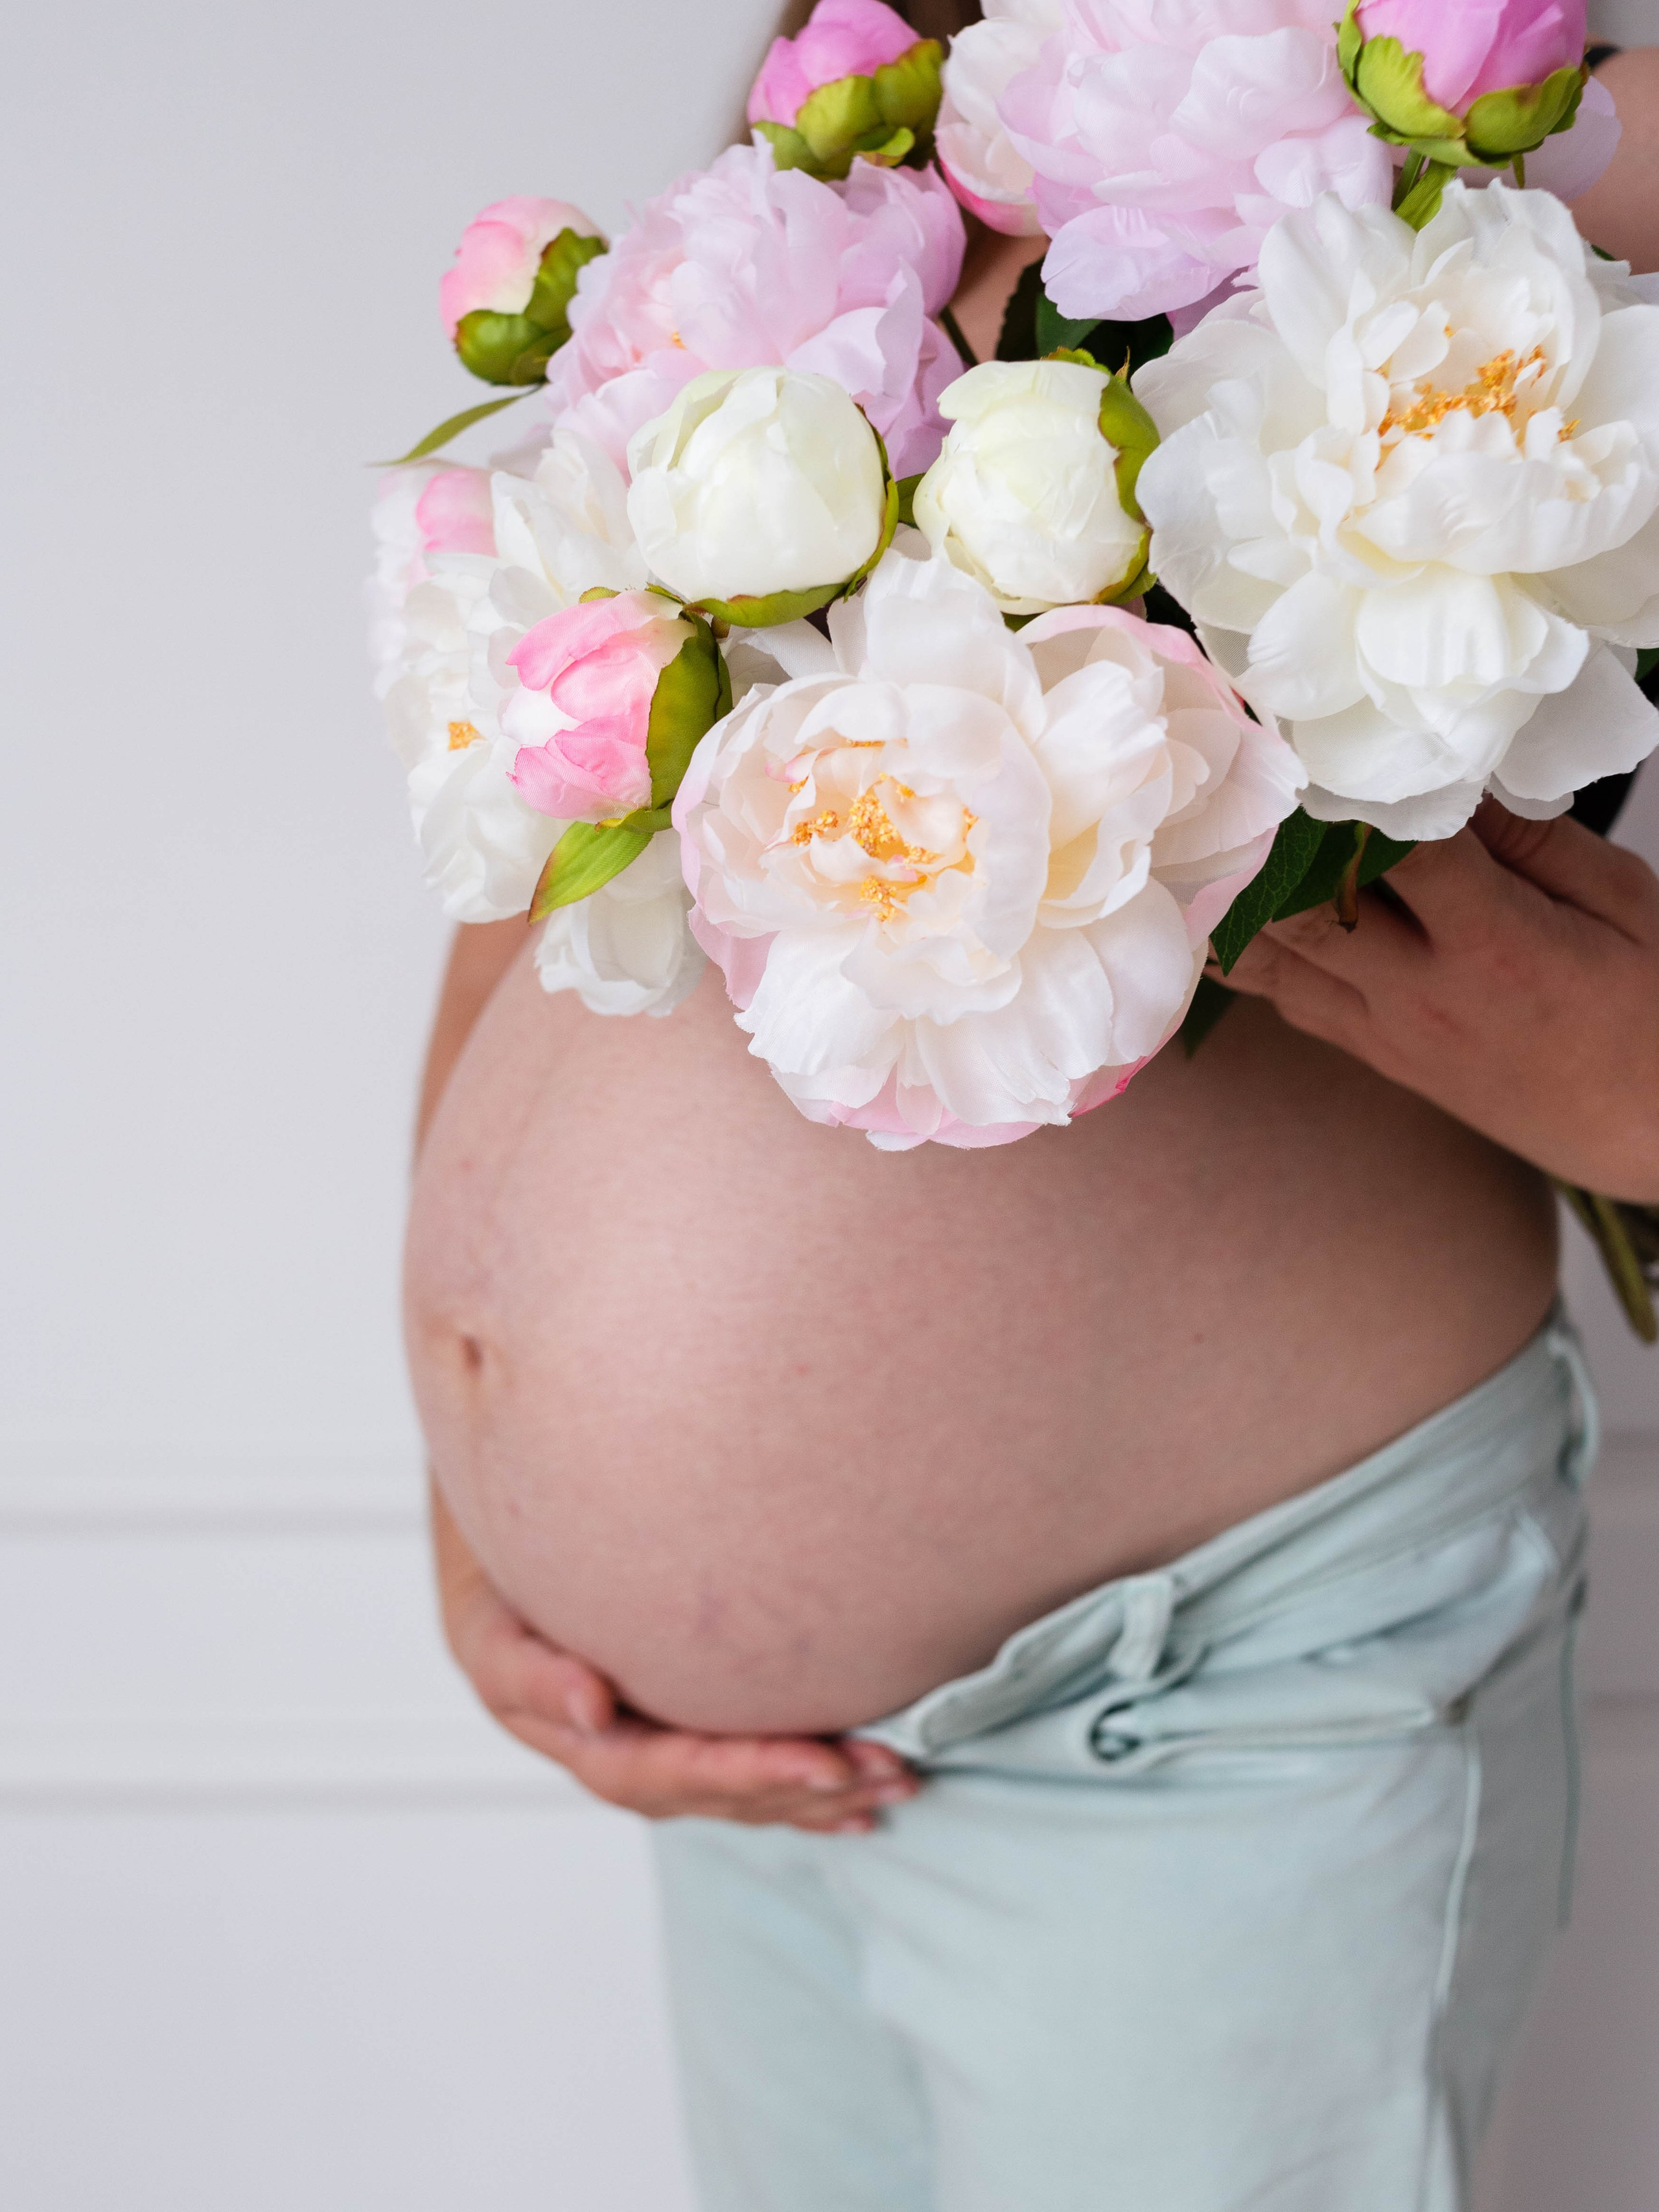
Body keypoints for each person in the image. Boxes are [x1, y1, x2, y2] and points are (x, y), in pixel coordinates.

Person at [405, 27, 1659, 2212]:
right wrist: (474, 1473)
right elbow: (559, 804)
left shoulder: (1591, 152)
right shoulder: (877, 83)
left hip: (1208, 1718)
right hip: (748, 1776)